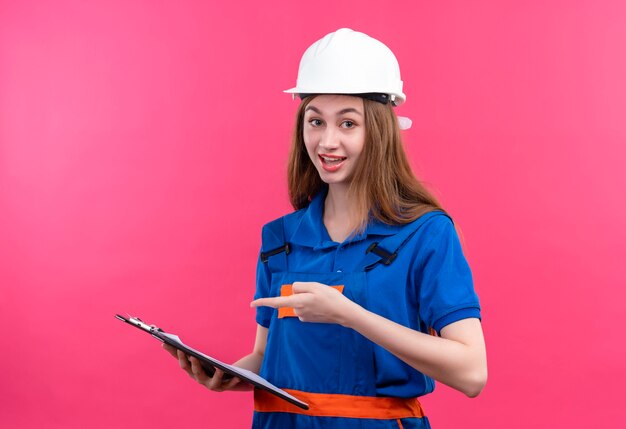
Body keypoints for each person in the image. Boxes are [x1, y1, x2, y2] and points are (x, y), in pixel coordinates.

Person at [164, 28, 487, 429]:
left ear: (380, 132)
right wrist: (231, 375)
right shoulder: (280, 238)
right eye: (315, 121)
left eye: (348, 123)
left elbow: (472, 372)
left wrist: (349, 315)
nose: (327, 141)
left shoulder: (426, 234)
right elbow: (268, 357)